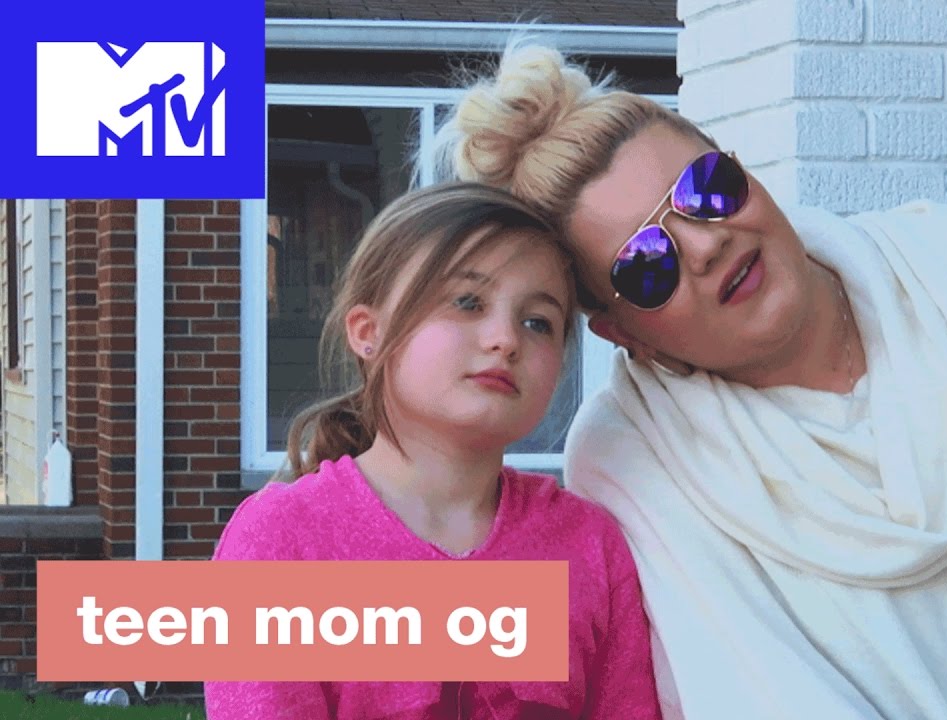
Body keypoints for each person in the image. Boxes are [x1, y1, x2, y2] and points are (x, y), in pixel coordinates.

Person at [433, 41, 947, 720]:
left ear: (741, 167)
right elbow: (755, 690)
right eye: (647, 265)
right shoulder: (633, 454)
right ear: (627, 336)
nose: (707, 243)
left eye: (707, 189)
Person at [203, 183, 662, 719]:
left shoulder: (590, 544)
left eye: (538, 322)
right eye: (467, 301)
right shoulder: (281, 541)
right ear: (369, 332)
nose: (505, 339)